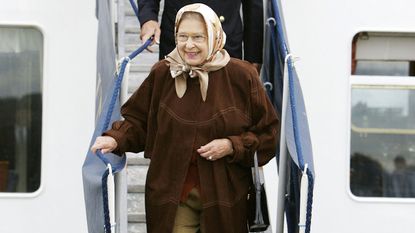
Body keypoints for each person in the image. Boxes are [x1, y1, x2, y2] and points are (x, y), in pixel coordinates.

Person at [91, 3, 279, 232]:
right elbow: (139, 122)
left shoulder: (242, 76)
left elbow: (269, 135)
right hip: (173, 194)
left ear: (214, 36)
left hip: (225, 197)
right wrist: (115, 139)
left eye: (198, 37)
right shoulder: (163, 73)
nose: (189, 45)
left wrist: (232, 145)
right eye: (182, 36)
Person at [137, 0, 263, 72]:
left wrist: (253, 59)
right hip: (177, 46)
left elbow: (253, 6)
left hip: (224, 47)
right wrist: (148, 19)